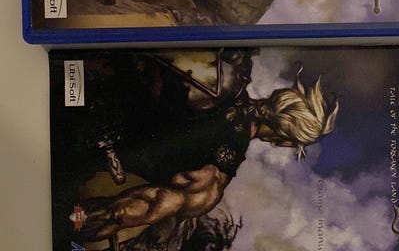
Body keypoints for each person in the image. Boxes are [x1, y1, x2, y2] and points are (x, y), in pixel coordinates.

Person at [78, 66, 339, 243]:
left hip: (86, 88)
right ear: (286, 142)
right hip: (83, 150)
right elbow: (128, 211)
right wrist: (73, 225)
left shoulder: (224, 78)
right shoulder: (213, 181)